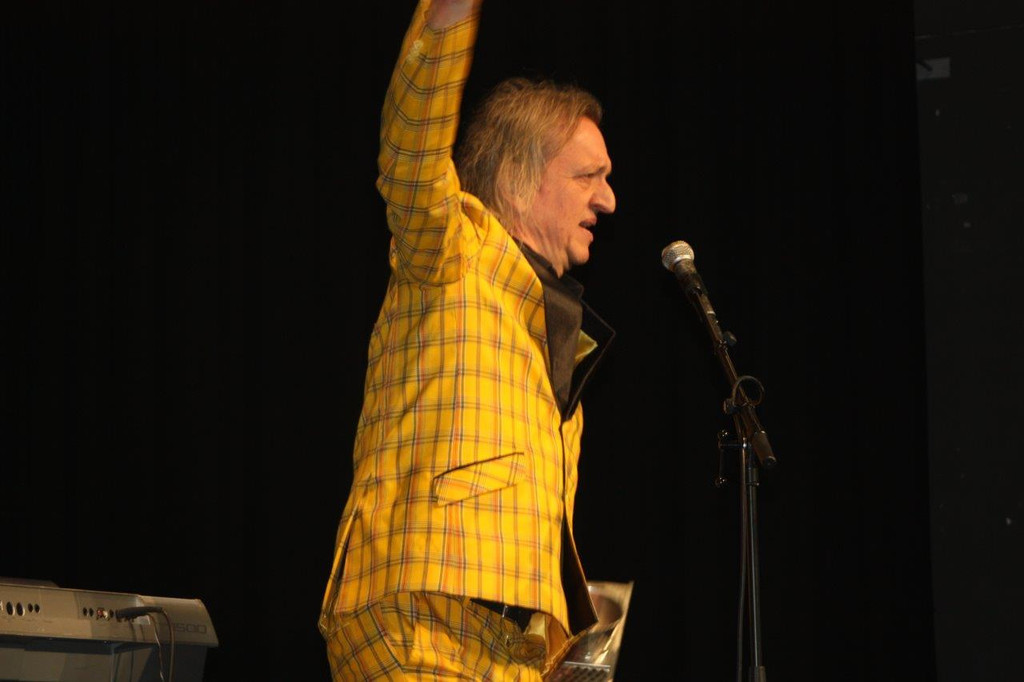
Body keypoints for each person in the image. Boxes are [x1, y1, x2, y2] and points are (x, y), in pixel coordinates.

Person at [319, 0, 616, 679]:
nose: (608, 200)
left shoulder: (551, 335)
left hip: (510, 651)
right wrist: (450, 18)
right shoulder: (453, 251)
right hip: (425, 623)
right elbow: (411, 156)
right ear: (518, 176)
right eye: (587, 176)